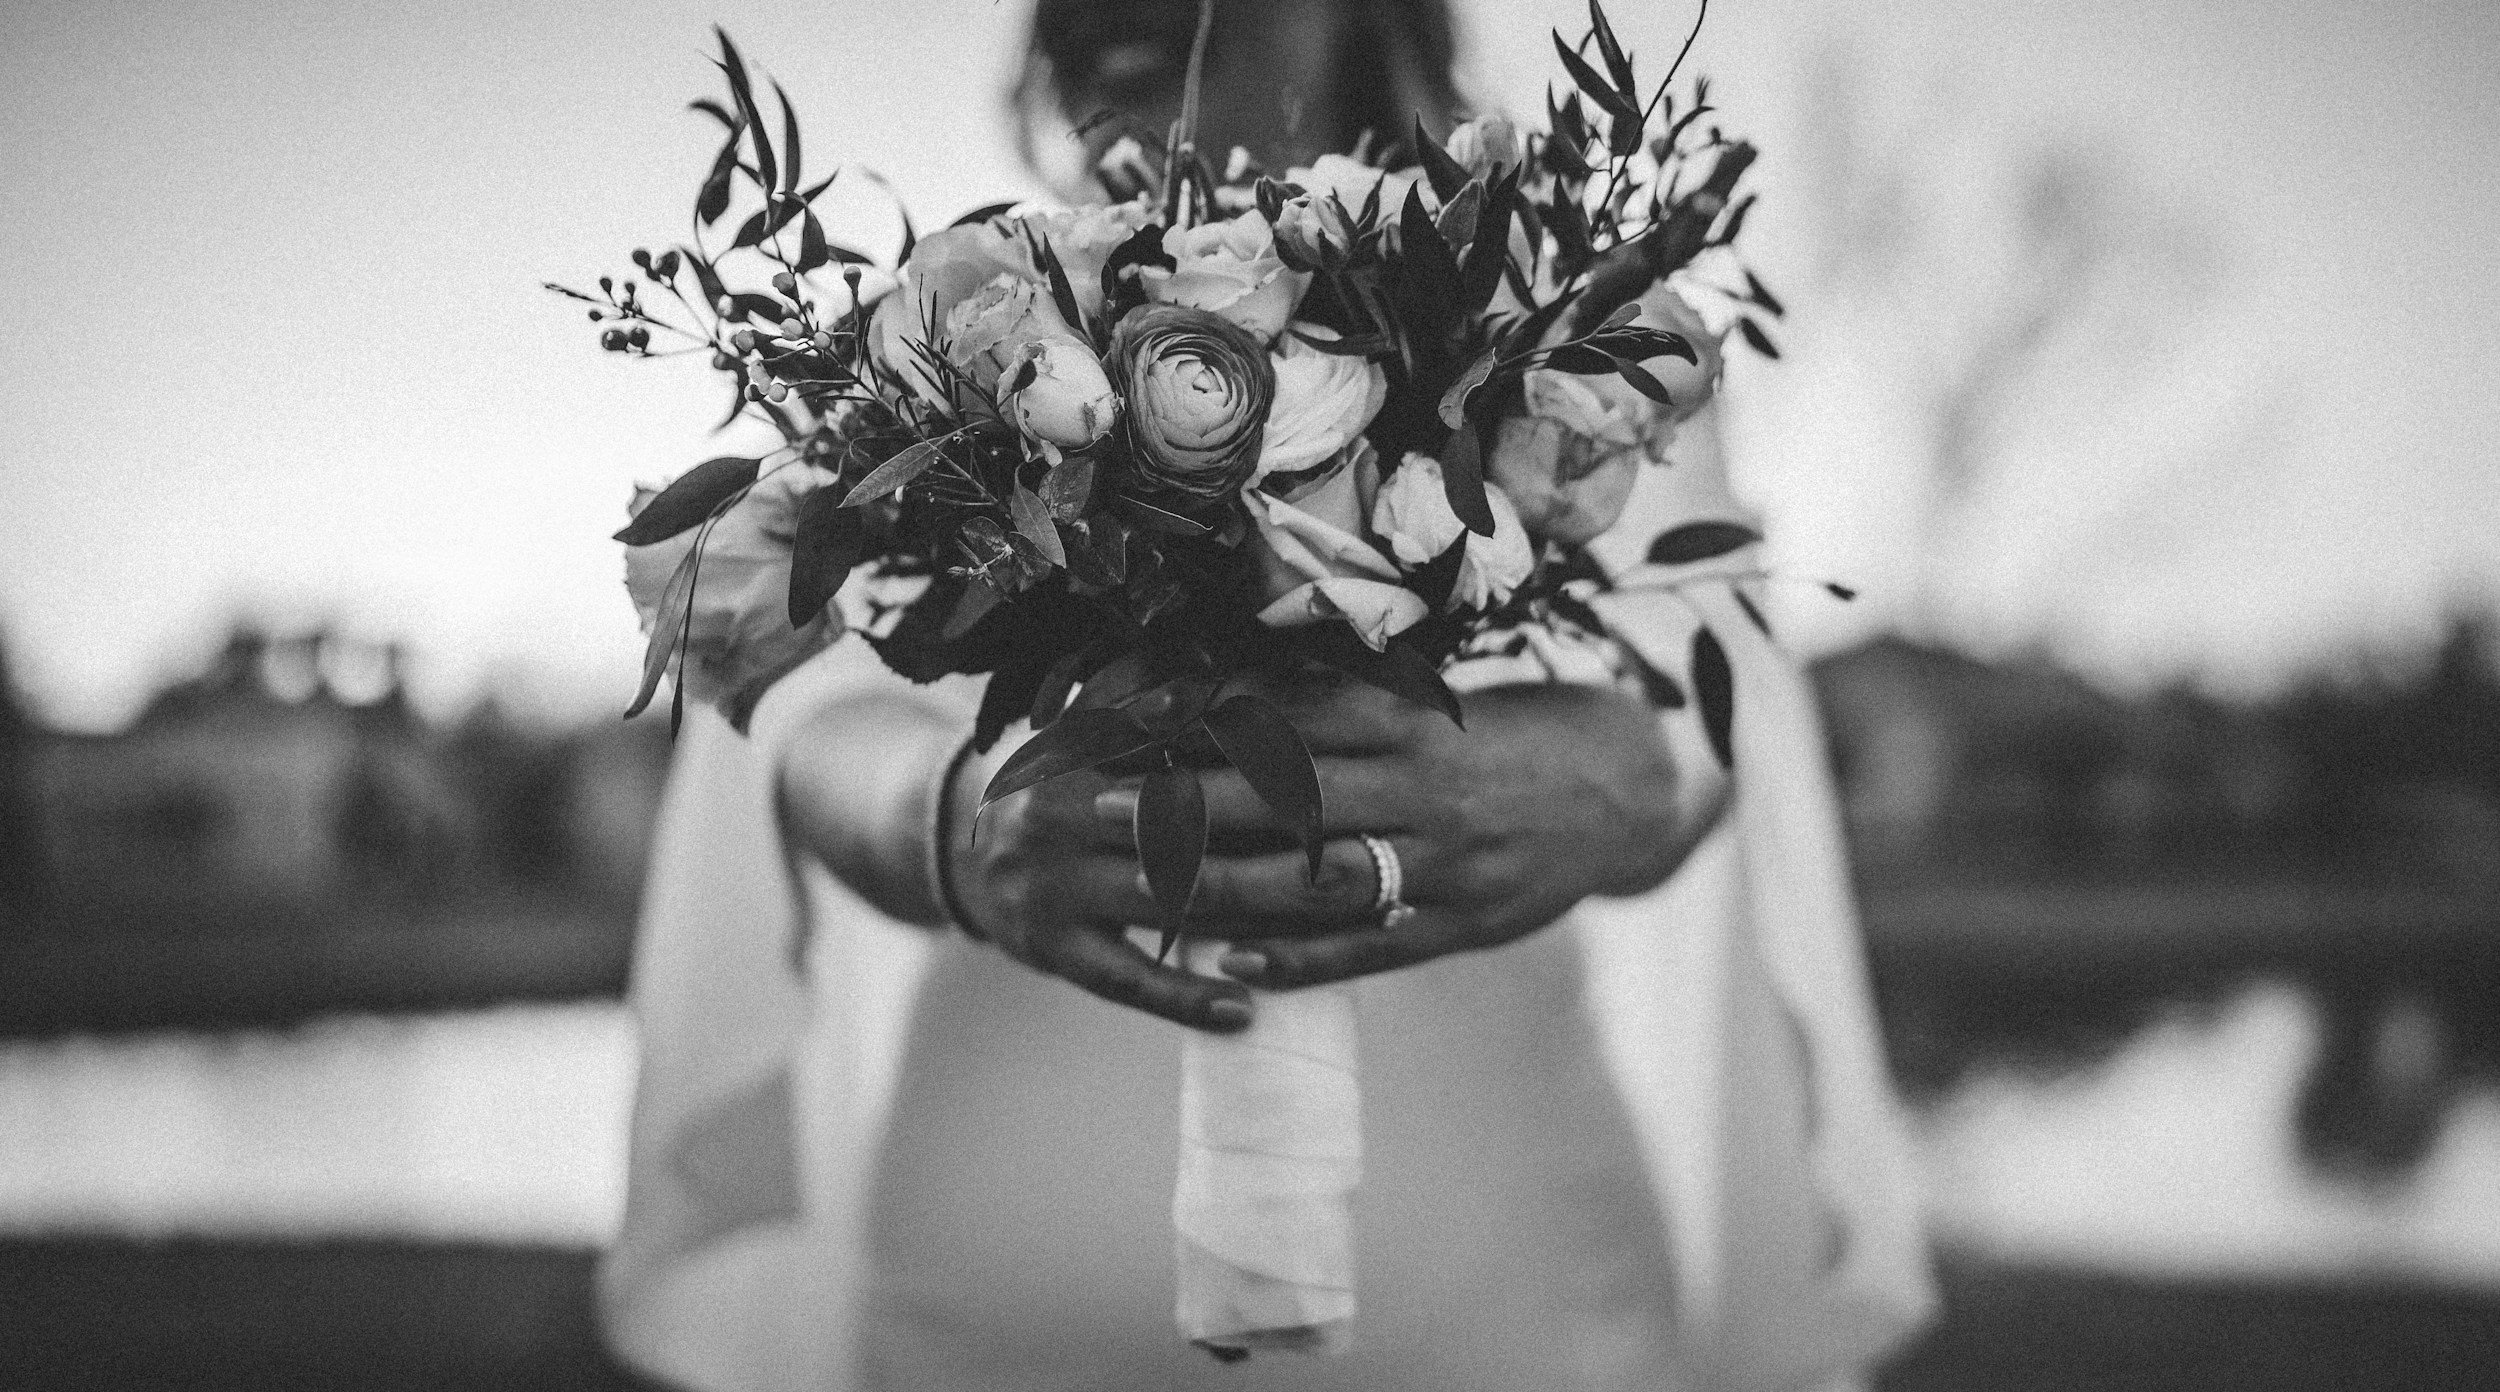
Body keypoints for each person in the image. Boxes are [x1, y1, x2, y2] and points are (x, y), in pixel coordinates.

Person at [600, 4, 1934, 1389]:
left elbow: (1710, 710)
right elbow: (796, 720)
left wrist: (1604, 779)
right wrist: (949, 825)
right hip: (988, 1314)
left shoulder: (1581, 331)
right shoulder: (951, 336)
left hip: (1505, 1305)